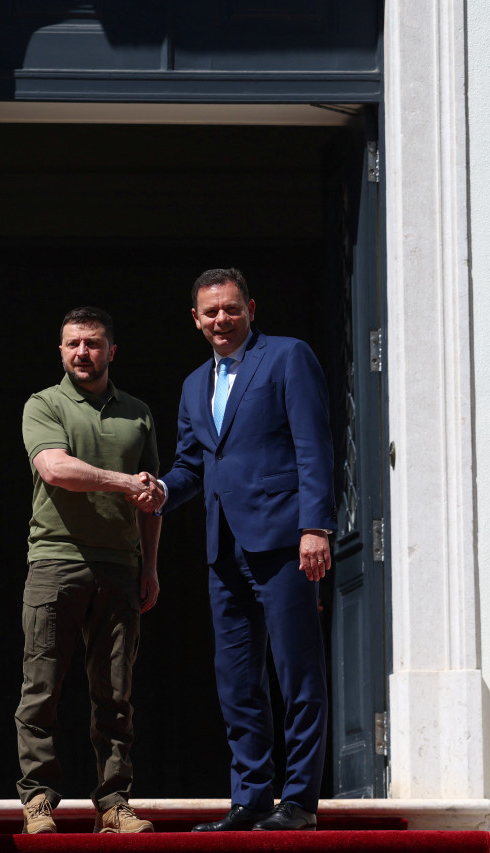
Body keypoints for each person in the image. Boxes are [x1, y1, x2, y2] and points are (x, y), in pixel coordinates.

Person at [143, 268, 335, 832]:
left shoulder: (286, 357)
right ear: (195, 319)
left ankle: (297, 802)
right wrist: (156, 492)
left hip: (283, 542)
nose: (221, 320)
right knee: (236, 681)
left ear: (251, 308)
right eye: (211, 312)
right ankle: (250, 800)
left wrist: (316, 527)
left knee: (297, 674)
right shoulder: (192, 384)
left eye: (231, 309)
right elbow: (191, 467)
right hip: (222, 551)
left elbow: (313, 445)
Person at [15, 306, 163, 835]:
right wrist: (126, 482)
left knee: (115, 695)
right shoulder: (44, 404)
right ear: (61, 350)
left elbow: (152, 501)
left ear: (111, 351)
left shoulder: (138, 413)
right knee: (43, 687)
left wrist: (150, 566)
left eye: (94, 343)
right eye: (74, 343)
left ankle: (114, 804)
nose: (83, 352)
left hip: (120, 568)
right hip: (55, 561)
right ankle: (38, 801)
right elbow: (55, 468)